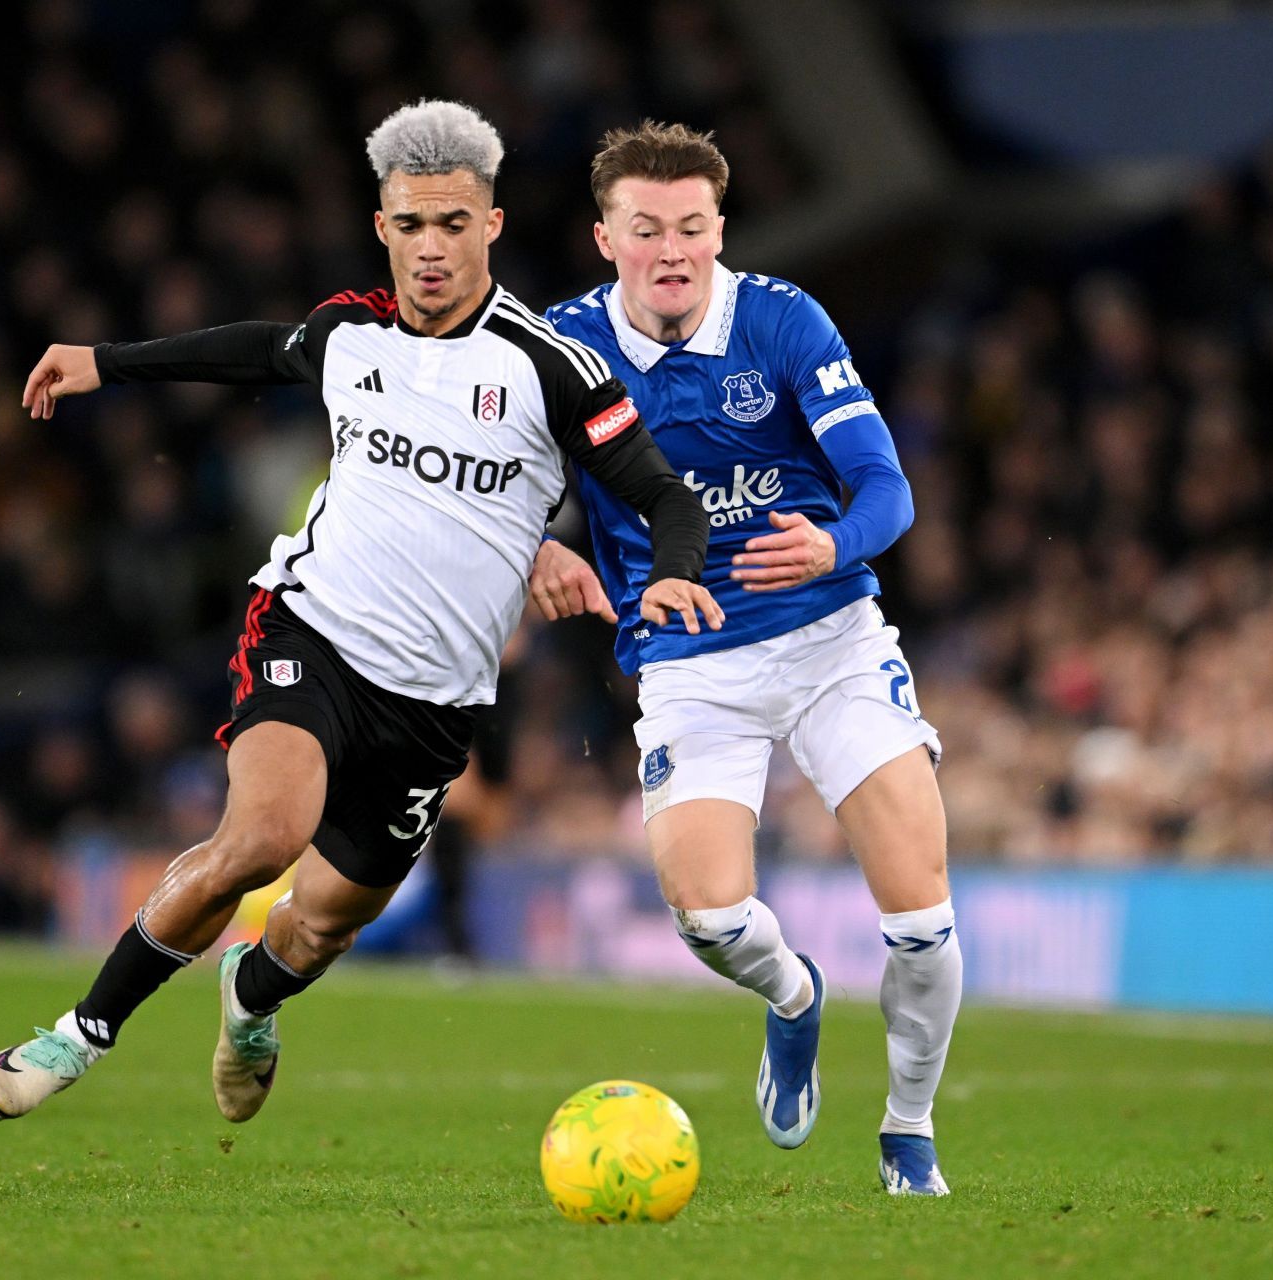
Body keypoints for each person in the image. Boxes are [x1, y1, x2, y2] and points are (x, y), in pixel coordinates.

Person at [0, 101, 717, 1124]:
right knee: (262, 837)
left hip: (433, 704)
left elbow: (667, 494)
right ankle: (81, 1029)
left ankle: (253, 995)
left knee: (322, 922)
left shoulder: (549, 369)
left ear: (490, 226)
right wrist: (108, 360)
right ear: (383, 227)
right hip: (311, 631)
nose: (430, 247)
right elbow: (255, 350)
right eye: (410, 224)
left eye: (452, 223)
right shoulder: (349, 333)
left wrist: (671, 570)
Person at [532, 121, 957, 1196]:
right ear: (605, 237)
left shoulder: (781, 321)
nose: (671, 250)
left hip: (831, 642)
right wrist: (535, 540)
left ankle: (908, 1128)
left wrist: (832, 541)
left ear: (719, 229)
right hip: (690, 661)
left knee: (919, 914)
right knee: (710, 914)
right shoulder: (562, 351)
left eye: (691, 227)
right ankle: (795, 996)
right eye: (646, 229)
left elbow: (887, 489)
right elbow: (499, 486)